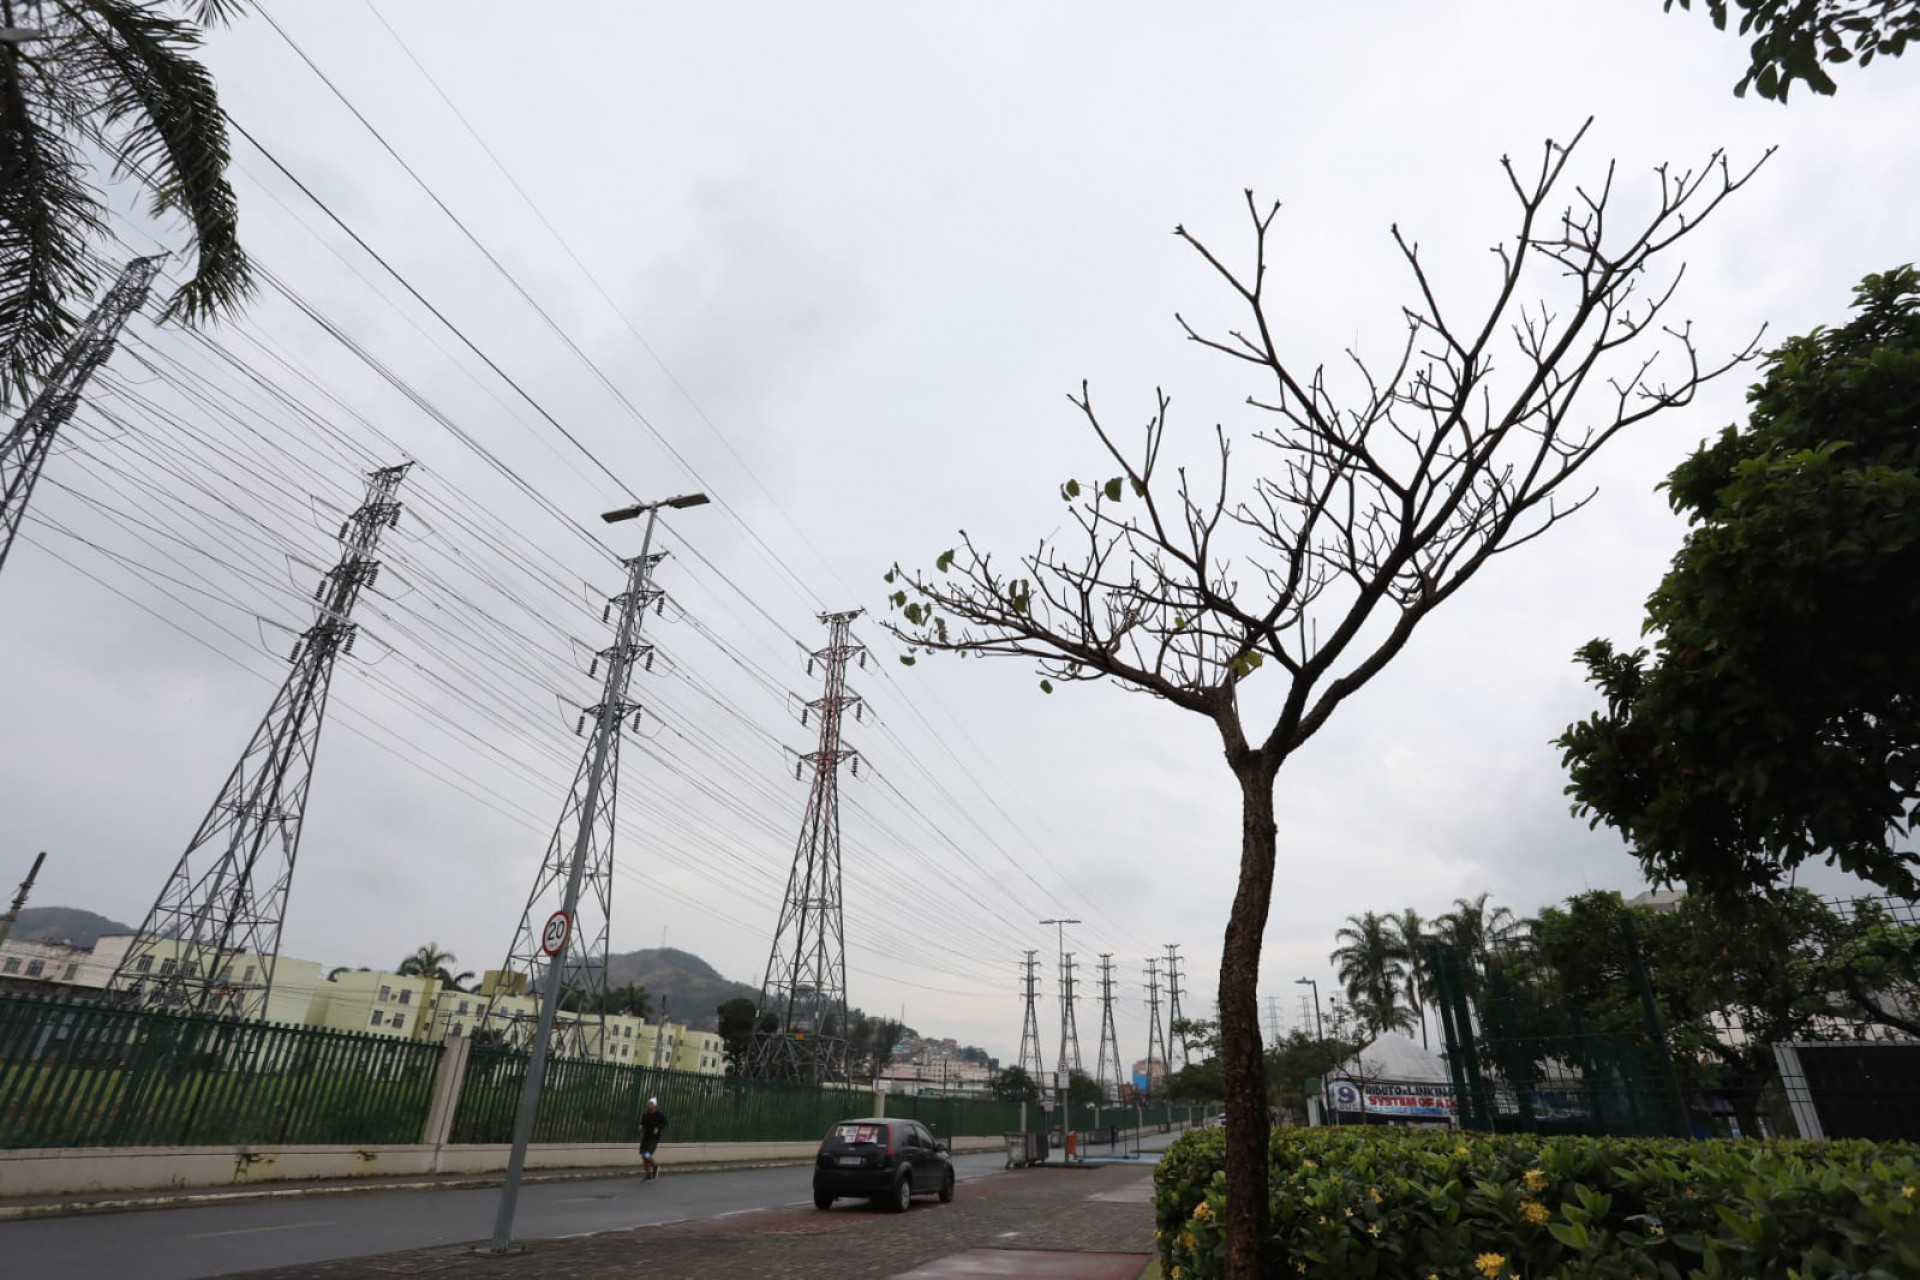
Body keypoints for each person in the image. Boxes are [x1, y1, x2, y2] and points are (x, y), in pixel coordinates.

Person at [638, 1097, 668, 1180]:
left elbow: (665, 1123)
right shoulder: (645, 1115)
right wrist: (641, 1127)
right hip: (646, 1138)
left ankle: (655, 1166)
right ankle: (648, 1174)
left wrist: (658, 1128)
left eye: (651, 1103)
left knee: (647, 1155)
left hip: (653, 1139)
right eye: (648, 1103)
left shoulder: (659, 1115)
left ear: (655, 1105)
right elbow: (643, 1125)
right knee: (644, 1157)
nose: (649, 1105)